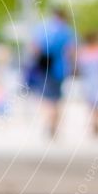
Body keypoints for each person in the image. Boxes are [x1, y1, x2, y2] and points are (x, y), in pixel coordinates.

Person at [27, 7, 75, 137]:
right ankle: (54, 123)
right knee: (57, 98)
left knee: (46, 97)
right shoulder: (66, 30)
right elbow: (71, 51)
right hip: (60, 69)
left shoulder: (42, 27)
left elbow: (34, 47)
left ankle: (49, 121)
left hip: (44, 68)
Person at [77, 32, 98, 136]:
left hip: (88, 81)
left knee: (90, 104)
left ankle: (94, 122)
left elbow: (79, 67)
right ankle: (97, 122)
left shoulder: (83, 53)